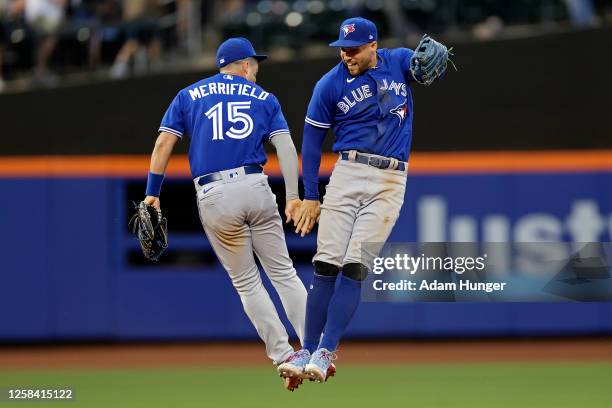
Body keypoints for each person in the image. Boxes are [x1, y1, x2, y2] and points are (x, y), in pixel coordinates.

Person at [284, 17, 451, 382]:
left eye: (355, 48)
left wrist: (423, 72)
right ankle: (306, 350)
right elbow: (311, 145)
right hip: (347, 172)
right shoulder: (329, 84)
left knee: (355, 267)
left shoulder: (396, 60)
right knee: (326, 264)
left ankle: (327, 350)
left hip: (390, 179)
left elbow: (421, 66)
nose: (347, 55)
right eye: (343, 48)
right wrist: (310, 195)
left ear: (373, 45)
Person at [143, 37, 308, 391]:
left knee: (247, 283)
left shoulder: (188, 95)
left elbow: (162, 145)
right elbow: (286, 147)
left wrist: (152, 194)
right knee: (283, 273)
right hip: (255, 186)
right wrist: (293, 196)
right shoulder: (265, 98)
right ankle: (315, 349)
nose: (257, 69)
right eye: (256, 63)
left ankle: (283, 356)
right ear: (245, 64)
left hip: (215, 193)